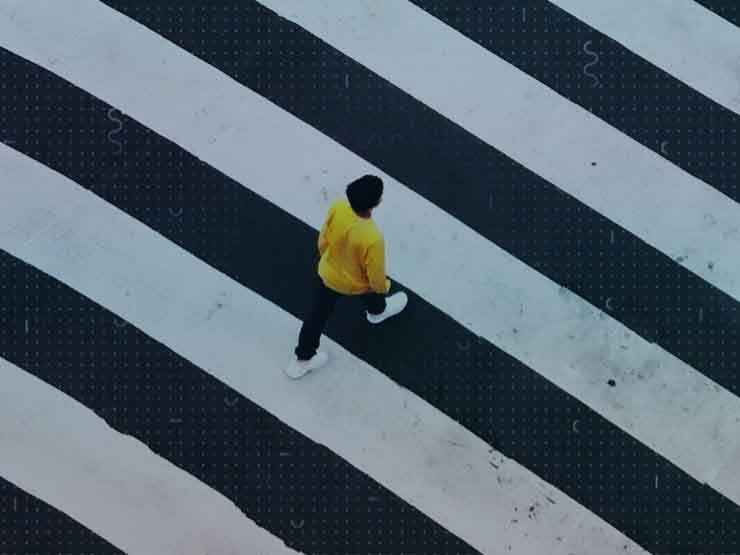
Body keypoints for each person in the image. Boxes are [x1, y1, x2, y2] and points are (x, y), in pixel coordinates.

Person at [285, 175, 408, 379]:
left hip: (329, 273)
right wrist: (383, 287)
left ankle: (302, 359)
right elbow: (375, 275)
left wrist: (327, 256)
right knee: (371, 291)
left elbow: (323, 238)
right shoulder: (373, 237)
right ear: (377, 202)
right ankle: (377, 311)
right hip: (356, 283)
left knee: (316, 317)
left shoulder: (339, 207)